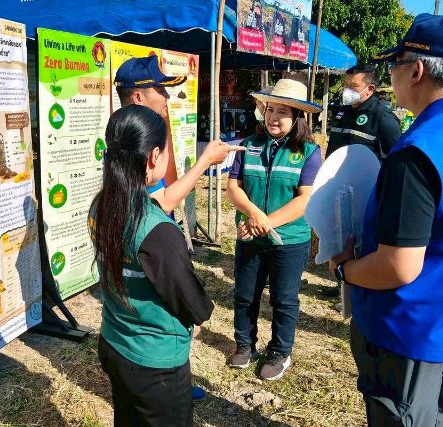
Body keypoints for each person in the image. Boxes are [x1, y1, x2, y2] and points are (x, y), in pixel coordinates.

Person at [330, 14, 443, 425]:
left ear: (416, 71)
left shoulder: (417, 152)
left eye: (395, 64)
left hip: (409, 336)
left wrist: (344, 270)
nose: (390, 75)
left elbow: (398, 265)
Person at [90, 105, 214, 426]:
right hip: (155, 366)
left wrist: (203, 162)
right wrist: (198, 316)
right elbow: (192, 302)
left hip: (114, 343)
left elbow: (159, 203)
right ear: (154, 156)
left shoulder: (102, 206)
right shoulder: (157, 232)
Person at [226, 79, 322, 380]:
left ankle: (280, 352)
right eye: (270, 109)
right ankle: (245, 345)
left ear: (297, 117)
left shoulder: (309, 152)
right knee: (245, 295)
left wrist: (263, 224)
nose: (273, 117)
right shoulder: (248, 146)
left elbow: (305, 199)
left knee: (284, 299)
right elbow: (233, 187)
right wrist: (254, 215)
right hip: (250, 236)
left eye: (282, 112)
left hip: (290, 240)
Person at [114, 56, 244, 214]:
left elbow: (169, 183)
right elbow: (163, 203)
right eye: (161, 90)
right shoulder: (133, 138)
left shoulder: (140, 130)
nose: (167, 96)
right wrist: (206, 161)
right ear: (138, 97)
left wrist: (165, 124)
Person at [327, 64, 401, 161]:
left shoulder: (383, 117)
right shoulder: (343, 111)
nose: (347, 90)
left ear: (370, 89)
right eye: (346, 85)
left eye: (354, 86)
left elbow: (396, 159)